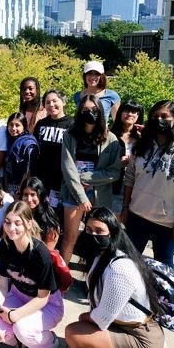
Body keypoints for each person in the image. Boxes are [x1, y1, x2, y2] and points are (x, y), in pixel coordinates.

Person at [121, 100, 174, 268]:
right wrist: (125, 207)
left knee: (164, 267)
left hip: (167, 222)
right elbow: (130, 177)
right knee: (128, 261)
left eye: (165, 116)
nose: (159, 120)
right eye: (155, 116)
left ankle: (164, 295)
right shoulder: (143, 145)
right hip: (137, 215)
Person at [65, 207, 165, 348]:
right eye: (88, 229)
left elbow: (101, 319)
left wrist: (84, 317)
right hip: (121, 325)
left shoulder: (119, 268)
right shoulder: (100, 257)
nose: (93, 234)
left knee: (74, 331)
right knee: (82, 327)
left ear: (112, 233)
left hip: (141, 337)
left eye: (99, 231)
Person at [0, 201, 65, 348]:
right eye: (7, 222)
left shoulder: (40, 254)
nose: (11, 228)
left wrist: (13, 316)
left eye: (18, 223)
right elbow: (2, 285)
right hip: (18, 295)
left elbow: (42, 298)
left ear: (28, 224)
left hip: (47, 304)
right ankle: (21, 344)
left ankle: (50, 342)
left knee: (22, 329)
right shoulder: (5, 245)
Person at [60, 94, 121, 263]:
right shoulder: (70, 135)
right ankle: (62, 282)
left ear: (101, 111)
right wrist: (81, 196)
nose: (90, 113)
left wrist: (86, 177)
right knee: (69, 238)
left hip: (99, 194)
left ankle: (95, 278)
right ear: (79, 112)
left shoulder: (111, 139)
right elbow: (67, 166)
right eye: (85, 110)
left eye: (94, 110)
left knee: (99, 240)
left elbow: (114, 172)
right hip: (73, 192)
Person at [20, 177, 73, 293]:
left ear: (41, 195)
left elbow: (46, 254)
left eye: (33, 194)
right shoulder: (18, 214)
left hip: (40, 263)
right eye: (25, 195)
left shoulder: (49, 219)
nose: (29, 199)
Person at [34, 89, 74, 216]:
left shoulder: (72, 124)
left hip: (61, 179)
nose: (51, 105)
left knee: (56, 213)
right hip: (42, 177)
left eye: (54, 101)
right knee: (40, 210)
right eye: (47, 102)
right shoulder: (41, 124)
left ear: (63, 102)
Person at [109, 100, 144, 214]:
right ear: (120, 113)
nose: (130, 114)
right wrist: (118, 163)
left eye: (134, 112)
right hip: (114, 185)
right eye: (126, 110)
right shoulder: (109, 135)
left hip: (137, 187)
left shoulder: (143, 137)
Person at [4, 112, 39, 197]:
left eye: (17, 125)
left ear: (24, 126)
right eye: (11, 125)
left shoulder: (28, 143)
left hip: (22, 187)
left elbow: (28, 170)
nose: (13, 128)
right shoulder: (8, 140)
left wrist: (20, 191)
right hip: (8, 185)